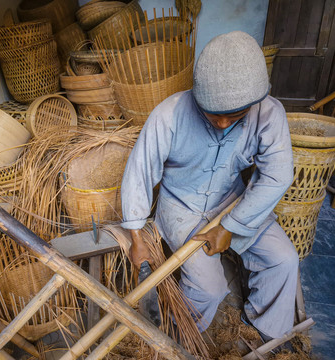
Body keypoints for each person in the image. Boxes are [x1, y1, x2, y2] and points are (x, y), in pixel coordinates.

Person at [120, 31, 299, 341]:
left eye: (234, 116)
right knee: (210, 290)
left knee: (284, 260)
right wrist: (136, 235)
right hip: (182, 206)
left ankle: (262, 327)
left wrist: (231, 225)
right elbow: (139, 172)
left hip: (233, 201)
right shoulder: (169, 114)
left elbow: (276, 176)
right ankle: (181, 335)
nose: (222, 124)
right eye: (213, 114)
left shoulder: (269, 114)